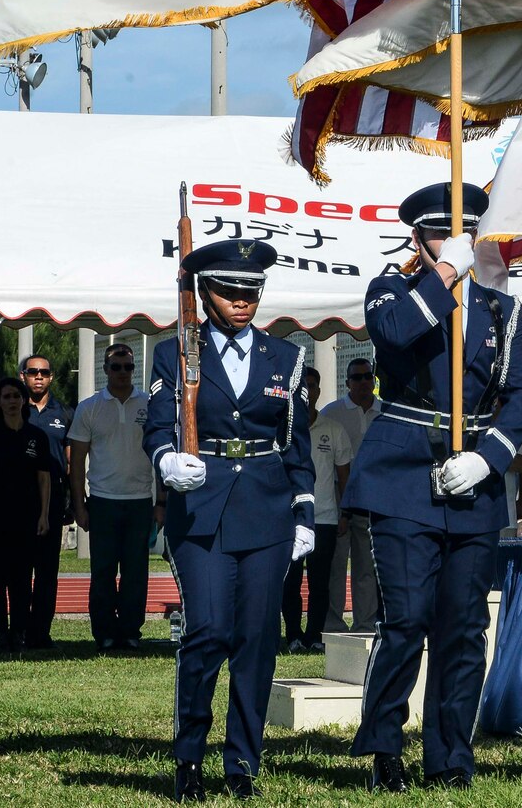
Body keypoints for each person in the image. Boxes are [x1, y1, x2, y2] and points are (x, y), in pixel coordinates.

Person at [346, 183, 522, 792]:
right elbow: (398, 333)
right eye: (439, 234)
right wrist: (446, 272)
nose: (454, 242)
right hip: (403, 474)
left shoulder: (499, 310)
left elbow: (521, 395)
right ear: (418, 239)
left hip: (473, 483)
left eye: (462, 234)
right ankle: (383, 746)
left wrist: (490, 458)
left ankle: (450, 757)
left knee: (462, 629)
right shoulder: (391, 290)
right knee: (405, 621)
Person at [144, 239, 316, 802]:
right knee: (209, 630)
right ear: (205, 293)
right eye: (229, 291)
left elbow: (295, 443)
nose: (242, 301)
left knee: (257, 640)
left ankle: (242, 760)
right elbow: (156, 427)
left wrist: (305, 512)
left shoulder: (285, 358)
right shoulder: (175, 354)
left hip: (267, 509)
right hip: (201, 508)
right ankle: (189, 755)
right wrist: (166, 460)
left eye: (252, 291)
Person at [70, 341, 158, 653]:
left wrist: (160, 503)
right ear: (105, 370)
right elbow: (77, 459)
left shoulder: (149, 404)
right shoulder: (89, 407)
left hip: (139, 501)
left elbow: (162, 454)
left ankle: (131, 631)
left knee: (136, 572)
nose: (123, 373)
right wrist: (79, 504)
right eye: (117, 367)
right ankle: (105, 633)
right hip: (103, 500)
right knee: (103, 572)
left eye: (129, 367)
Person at [0, 376, 55, 654]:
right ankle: (0, 634)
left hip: (28, 519)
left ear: (24, 400)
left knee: (22, 579)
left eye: (16, 396)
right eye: (6, 397)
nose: (11, 401)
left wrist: (44, 515)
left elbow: (44, 479)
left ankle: (19, 632)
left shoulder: (36, 437)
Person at [281, 366, 350, 654]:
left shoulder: (333, 430)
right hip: (291, 518)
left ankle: (315, 636)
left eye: (313, 386)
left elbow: (344, 476)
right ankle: (294, 635)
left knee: (320, 583)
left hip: (324, 518)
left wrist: (344, 513)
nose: (309, 391)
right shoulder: (283, 428)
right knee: (291, 582)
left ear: (319, 391)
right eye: (304, 386)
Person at [17, 353, 73, 651]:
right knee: (20, 571)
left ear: (51, 377)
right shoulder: (13, 407)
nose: (38, 376)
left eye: (44, 372)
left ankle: (41, 632)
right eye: (32, 371)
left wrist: (72, 501)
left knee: (47, 571)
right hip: (18, 502)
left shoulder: (63, 412)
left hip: (51, 501)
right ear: (23, 374)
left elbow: (71, 462)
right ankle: (20, 630)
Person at [319, 359, 379, 632]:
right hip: (339, 498)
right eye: (358, 378)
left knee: (366, 566)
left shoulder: (385, 412)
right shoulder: (332, 413)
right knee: (336, 565)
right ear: (347, 383)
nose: (364, 382)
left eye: (368, 376)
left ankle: (365, 622)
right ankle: (333, 623)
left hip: (373, 499)